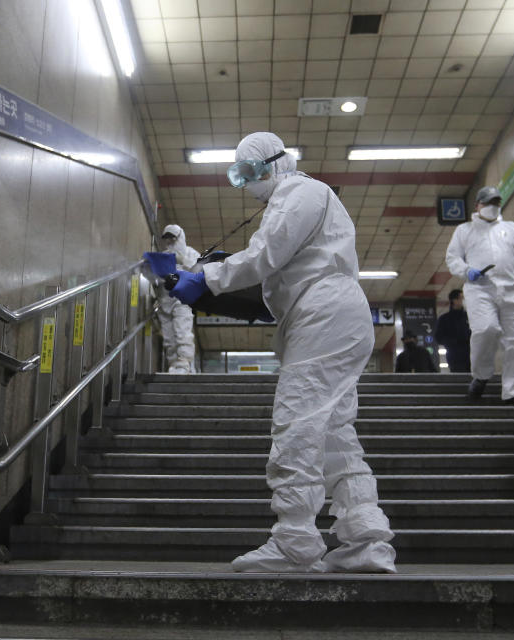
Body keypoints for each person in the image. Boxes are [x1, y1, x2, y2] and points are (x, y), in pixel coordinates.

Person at [167, 132, 396, 574]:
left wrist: (208, 278)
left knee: (297, 422)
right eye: (240, 176)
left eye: (251, 172)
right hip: (330, 315)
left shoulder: (300, 191)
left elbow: (264, 255)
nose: (247, 183)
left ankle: (295, 541)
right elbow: (270, 277)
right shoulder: (297, 200)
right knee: (334, 434)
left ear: (278, 162)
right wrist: (211, 288)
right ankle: (366, 540)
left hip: (324, 313)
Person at [445, 186, 514, 406]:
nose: (492, 207)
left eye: (496, 203)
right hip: (480, 290)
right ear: (477, 205)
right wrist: (466, 271)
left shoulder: (513, 229)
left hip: (512, 290)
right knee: (486, 330)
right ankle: (481, 376)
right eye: (488, 203)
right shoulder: (464, 230)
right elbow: (453, 258)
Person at [155, 224, 200, 374]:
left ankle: (184, 362)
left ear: (180, 237)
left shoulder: (191, 253)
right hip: (164, 300)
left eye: (172, 238)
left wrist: (183, 261)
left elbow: (199, 273)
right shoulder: (161, 257)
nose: (169, 242)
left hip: (182, 300)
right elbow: (154, 279)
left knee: (182, 331)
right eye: (167, 239)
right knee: (169, 335)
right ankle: (175, 364)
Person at [435, 289, 471, 372]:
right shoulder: (445, 319)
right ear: (454, 300)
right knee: (459, 376)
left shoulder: (469, 317)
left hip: (470, 353)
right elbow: (438, 337)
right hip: (454, 354)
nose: (463, 301)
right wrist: (452, 343)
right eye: (461, 298)